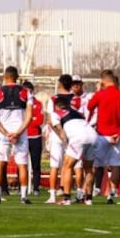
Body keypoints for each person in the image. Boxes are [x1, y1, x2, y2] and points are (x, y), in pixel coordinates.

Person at [87, 70, 120, 204]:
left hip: (102, 135)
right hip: (117, 136)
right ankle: (112, 194)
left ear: (103, 81)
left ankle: (89, 196)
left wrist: (98, 91)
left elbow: (90, 106)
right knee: (115, 165)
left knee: (95, 165)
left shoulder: (101, 94)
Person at [0, 66, 33, 204]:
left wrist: (6, 133)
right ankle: (24, 197)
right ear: (17, 77)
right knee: (22, 165)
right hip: (20, 133)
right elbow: (29, 116)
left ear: (4, 76)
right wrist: (18, 132)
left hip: (4, 134)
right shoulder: (26, 93)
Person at [50, 97, 97, 205]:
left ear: (56, 106)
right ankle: (89, 199)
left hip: (78, 137)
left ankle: (66, 199)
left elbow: (60, 131)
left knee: (67, 166)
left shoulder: (55, 113)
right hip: (93, 135)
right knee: (89, 168)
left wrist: (66, 143)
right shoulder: (78, 113)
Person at [44, 75, 79, 204]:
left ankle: (52, 195)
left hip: (58, 135)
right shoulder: (76, 99)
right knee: (75, 166)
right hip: (73, 135)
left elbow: (50, 120)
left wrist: (60, 135)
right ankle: (79, 194)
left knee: (54, 166)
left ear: (59, 84)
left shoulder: (53, 99)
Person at [23, 80, 44, 197]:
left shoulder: (38, 103)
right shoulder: (20, 104)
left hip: (35, 137)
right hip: (23, 137)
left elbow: (39, 120)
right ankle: (23, 187)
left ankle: (36, 188)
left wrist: (29, 119)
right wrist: (32, 118)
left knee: (36, 164)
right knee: (22, 164)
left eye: (29, 91)